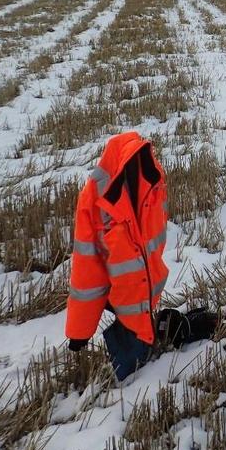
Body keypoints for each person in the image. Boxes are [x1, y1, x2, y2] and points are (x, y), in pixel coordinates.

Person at [66, 132, 170, 379]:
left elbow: (150, 245)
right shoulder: (95, 201)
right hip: (124, 303)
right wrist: (80, 331)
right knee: (130, 377)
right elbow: (87, 270)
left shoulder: (154, 183)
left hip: (145, 298)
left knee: (141, 371)